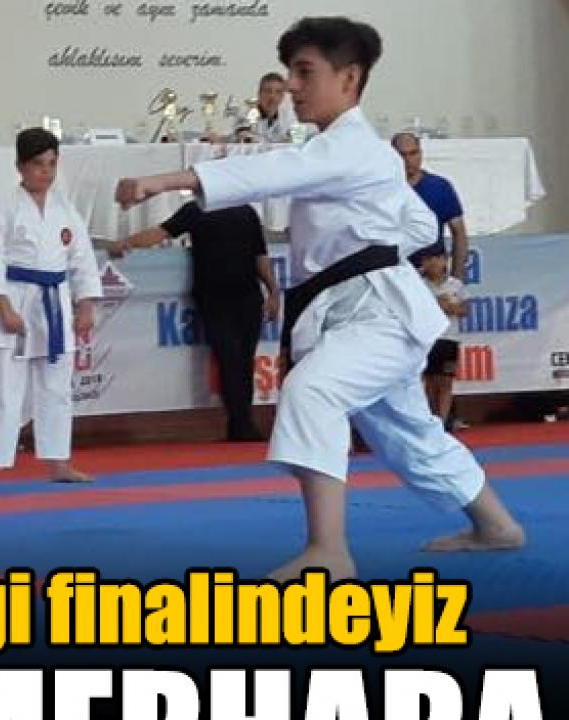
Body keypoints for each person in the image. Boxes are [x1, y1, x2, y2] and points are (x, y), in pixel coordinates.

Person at [115, 17, 523, 580]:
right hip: (359, 311)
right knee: (410, 434)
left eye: (305, 72)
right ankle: (497, 525)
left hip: (378, 315)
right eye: (289, 72)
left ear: (348, 78)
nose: (292, 85)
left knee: (314, 391)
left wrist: (164, 181)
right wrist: (376, 246)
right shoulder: (353, 153)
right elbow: (419, 223)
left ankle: (328, 549)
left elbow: (275, 171)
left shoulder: (350, 148)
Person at [0, 128, 103, 490]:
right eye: (37, 164)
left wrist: (86, 304)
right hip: (14, 297)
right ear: (20, 167)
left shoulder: (65, 209)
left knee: (57, 388)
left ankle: (59, 462)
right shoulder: (2, 208)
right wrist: (3, 308)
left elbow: (82, 259)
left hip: (55, 301)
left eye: (51, 164)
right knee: (3, 387)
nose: (46, 172)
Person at [110, 202, 280, 442]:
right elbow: (161, 232)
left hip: (245, 296)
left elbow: (260, 254)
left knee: (242, 361)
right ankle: (241, 422)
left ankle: (241, 422)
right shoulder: (202, 209)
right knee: (231, 359)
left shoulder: (242, 211)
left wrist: (273, 291)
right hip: (216, 298)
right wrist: (128, 243)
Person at [392, 132, 469, 278]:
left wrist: (457, 279)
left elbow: (459, 233)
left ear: (420, 154)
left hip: (432, 275)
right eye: (402, 155)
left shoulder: (440, 187)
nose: (408, 160)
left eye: (413, 153)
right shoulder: (380, 190)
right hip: (393, 274)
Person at [420, 249, 468, 425]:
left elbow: (465, 309)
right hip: (426, 339)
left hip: (448, 339)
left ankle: (443, 422)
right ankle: (431, 420)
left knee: (446, 381)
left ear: (445, 260)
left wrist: (450, 307)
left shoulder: (455, 285)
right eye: (428, 259)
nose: (433, 263)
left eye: (437, 258)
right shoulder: (418, 285)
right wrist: (435, 305)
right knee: (429, 382)